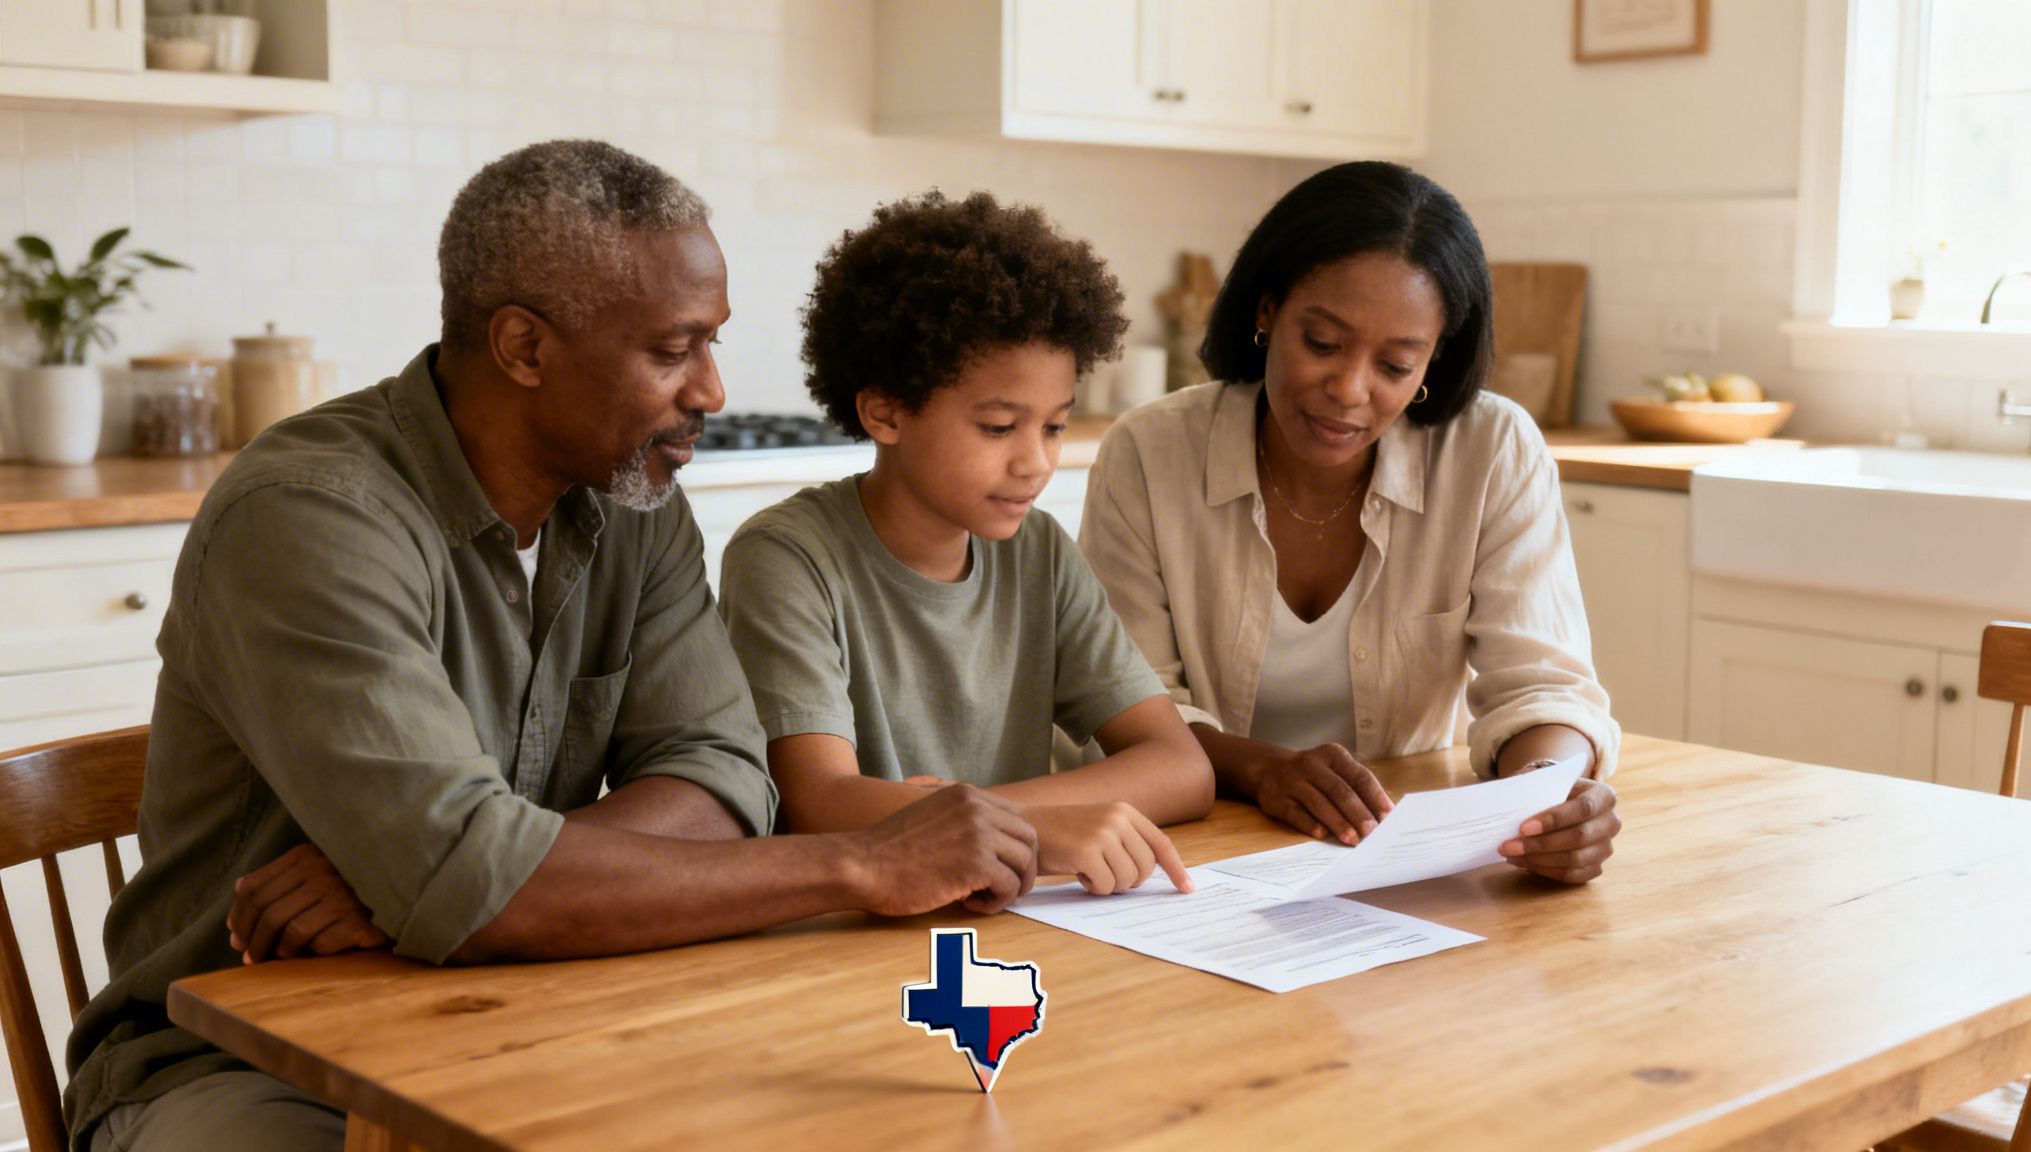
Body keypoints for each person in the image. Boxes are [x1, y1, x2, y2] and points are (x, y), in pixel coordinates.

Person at [64, 142, 1040, 1152]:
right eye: (673, 349)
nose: (710, 388)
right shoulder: (310, 516)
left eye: (711, 342)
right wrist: (856, 867)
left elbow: (723, 775)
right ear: (524, 350)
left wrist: (461, 873)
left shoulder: (633, 497)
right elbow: (487, 879)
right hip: (241, 1062)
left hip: (533, 1008)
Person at [1079, 161, 1621, 883]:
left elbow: (1541, 685)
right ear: (1267, 310)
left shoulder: (1491, 450)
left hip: (1392, 853)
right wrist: (1266, 772)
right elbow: (1123, 705)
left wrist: (1550, 793)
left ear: (1434, 359)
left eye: (1396, 365)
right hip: (1182, 851)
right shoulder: (1150, 452)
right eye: (1323, 343)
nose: (1348, 389)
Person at [717, 191, 1213, 897]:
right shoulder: (787, 558)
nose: (1036, 463)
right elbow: (818, 801)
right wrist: (1038, 827)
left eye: (1052, 426)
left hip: (1010, 910)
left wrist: (977, 820)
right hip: (844, 934)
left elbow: (1182, 767)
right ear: (885, 411)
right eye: (998, 426)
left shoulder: (1035, 548)